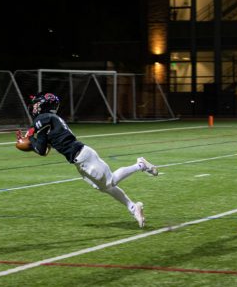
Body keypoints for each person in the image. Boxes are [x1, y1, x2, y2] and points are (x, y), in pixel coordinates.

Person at [16, 92, 159, 228]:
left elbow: (40, 150)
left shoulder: (42, 119)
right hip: (80, 157)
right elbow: (45, 149)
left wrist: (28, 140)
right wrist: (30, 141)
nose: (34, 106)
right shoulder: (48, 119)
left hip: (82, 156)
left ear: (44, 105)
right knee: (103, 187)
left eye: (37, 104)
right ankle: (134, 208)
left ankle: (140, 164)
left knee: (110, 181)